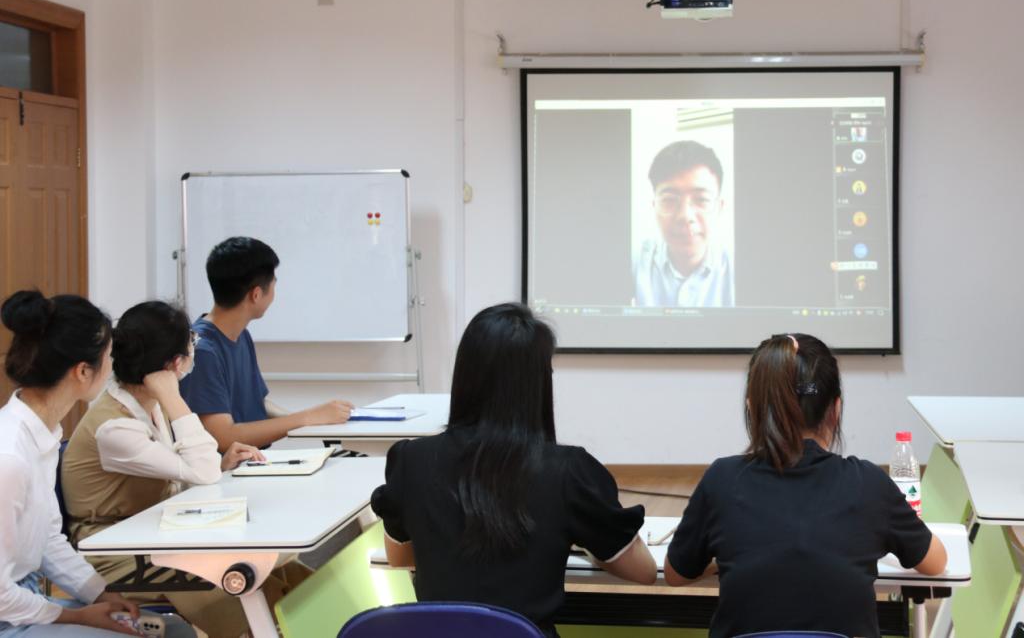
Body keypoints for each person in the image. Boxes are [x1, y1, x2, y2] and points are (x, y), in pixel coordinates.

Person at [371, 303, 656, 637]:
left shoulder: (411, 460)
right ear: (539, 382)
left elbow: (399, 557)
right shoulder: (568, 472)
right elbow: (644, 571)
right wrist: (584, 540)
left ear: (464, 374)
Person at [663, 333, 947, 638]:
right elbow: (936, 563)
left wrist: (720, 560)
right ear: (835, 408)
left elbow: (676, 574)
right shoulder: (869, 483)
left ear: (752, 408)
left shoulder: (722, 479)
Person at [62, 301, 265, 637]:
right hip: (114, 550)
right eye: (191, 343)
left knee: (261, 569)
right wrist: (174, 397)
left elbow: (189, 471)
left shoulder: (144, 402)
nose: (194, 349)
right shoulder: (116, 427)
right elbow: (203, 473)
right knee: (232, 576)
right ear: (174, 364)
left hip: (148, 531)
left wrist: (219, 462)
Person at [0, 290, 194, 637]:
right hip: (10, 614)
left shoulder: (42, 435)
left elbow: (48, 540)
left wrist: (103, 595)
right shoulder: (10, 457)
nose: (113, 366)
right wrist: (76, 616)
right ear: (82, 371)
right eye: (108, 356)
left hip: (24, 601)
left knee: (174, 630)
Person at [179, 237, 353, 450]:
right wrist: (307, 417)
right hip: (227, 468)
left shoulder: (240, 335)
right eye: (273, 285)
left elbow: (256, 404)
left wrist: (311, 420)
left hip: (253, 461)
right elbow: (224, 437)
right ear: (256, 294)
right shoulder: (202, 351)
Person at [633, 140, 734, 307]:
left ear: (719, 208)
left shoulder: (740, 269)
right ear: (654, 206)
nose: (685, 216)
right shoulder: (634, 262)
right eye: (670, 200)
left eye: (701, 199)